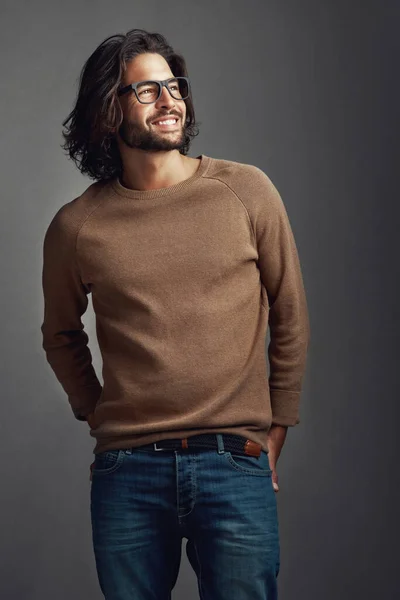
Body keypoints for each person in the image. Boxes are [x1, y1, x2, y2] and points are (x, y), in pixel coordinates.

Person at [40, 28, 310, 600]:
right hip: (128, 474)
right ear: (109, 110)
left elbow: (289, 311)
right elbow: (60, 335)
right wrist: (97, 413)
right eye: (147, 90)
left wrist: (276, 426)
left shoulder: (246, 192)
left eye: (174, 85)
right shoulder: (77, 227)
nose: (170, 101)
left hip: (234, 461)